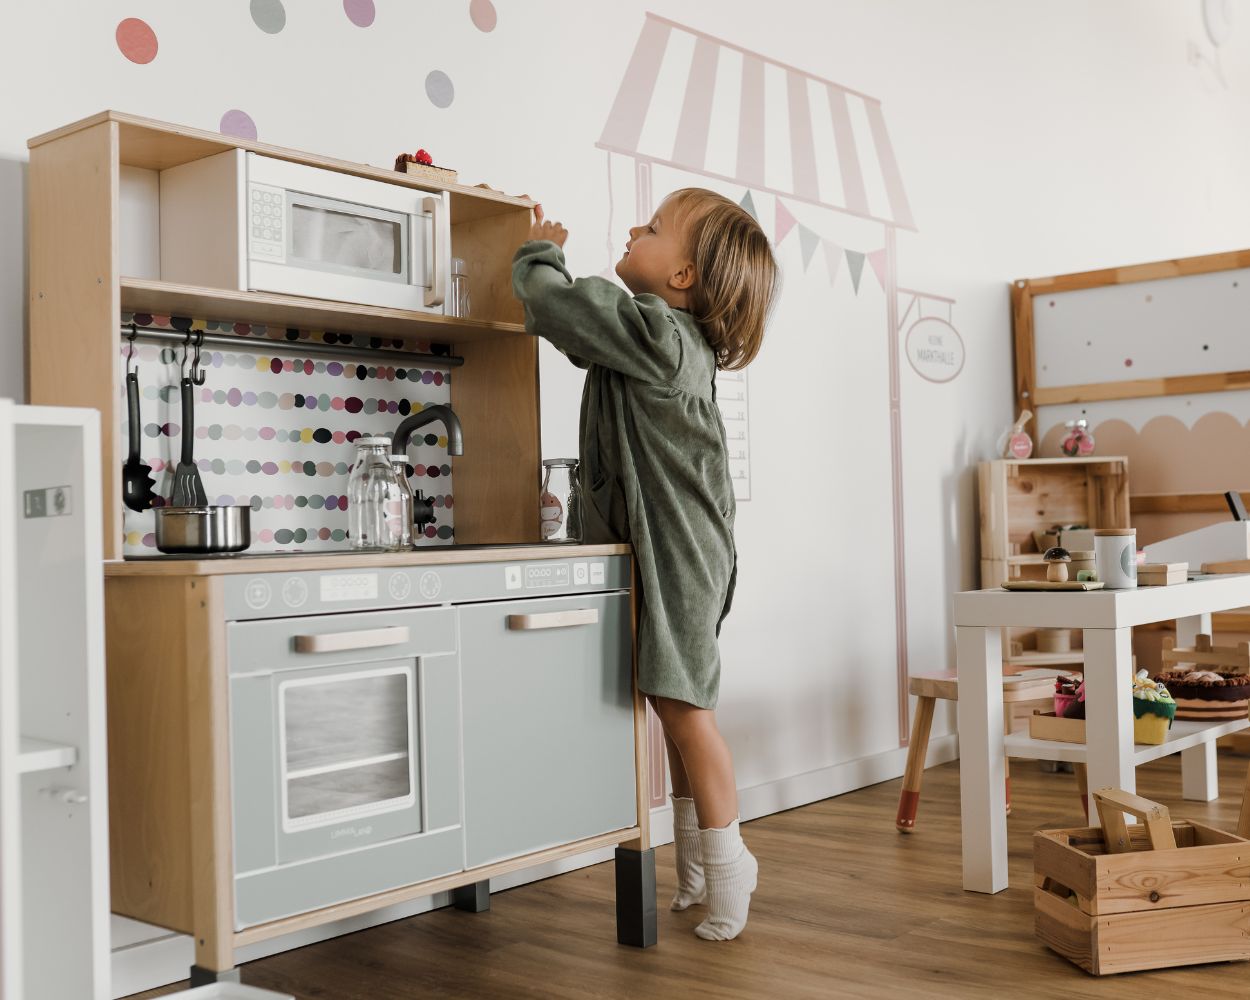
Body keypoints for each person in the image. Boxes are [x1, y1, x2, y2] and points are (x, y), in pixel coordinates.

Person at [511, 188, 778, 940]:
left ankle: (731, 867)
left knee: (689, 713)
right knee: (673, 707)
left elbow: (567, 310)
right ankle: (694, 867)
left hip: (681, 556)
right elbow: (579, 335)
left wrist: (539, 255)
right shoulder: (654, 337)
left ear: (685, 277)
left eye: (654, 228)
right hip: (679, 550)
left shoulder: (662, 335)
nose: (634, 229)